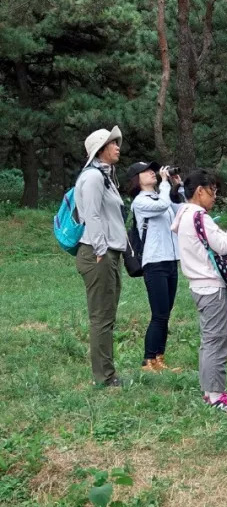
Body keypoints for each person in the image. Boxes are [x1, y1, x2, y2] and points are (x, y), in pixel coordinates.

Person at [172, 169, 227, 412]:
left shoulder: (182, 213)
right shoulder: (199, 216)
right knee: (217, 340)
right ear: (200, 191)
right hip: (210, 286)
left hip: (198, 285)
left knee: (209, 340)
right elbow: (223, 245)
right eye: (212, 191)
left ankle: (210, 390)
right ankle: (216, 396)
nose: (215, 196)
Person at [75, 126, 127, 387]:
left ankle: (107, 372)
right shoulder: (93, 177)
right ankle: (104, 377)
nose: (118, 147)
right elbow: (92, 216)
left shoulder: (105, 177)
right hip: (99, 254)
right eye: (112, 144)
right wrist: (99, 250)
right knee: (101, 317)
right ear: (100, 149)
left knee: (107, 315)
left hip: (108, 253)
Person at [127, 161, 183, 373]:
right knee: (159, 314)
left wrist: (178, 187)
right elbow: (162, 206)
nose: (152, 172)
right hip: (154, 262)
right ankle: (147, 360)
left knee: (166, 313)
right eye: (146, 171)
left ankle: (159, 358)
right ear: (136, 179)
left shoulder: (162, 196)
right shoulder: (140, 202)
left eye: (153, 170)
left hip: (170, 260)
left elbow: (180, 210)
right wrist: (165, 183)